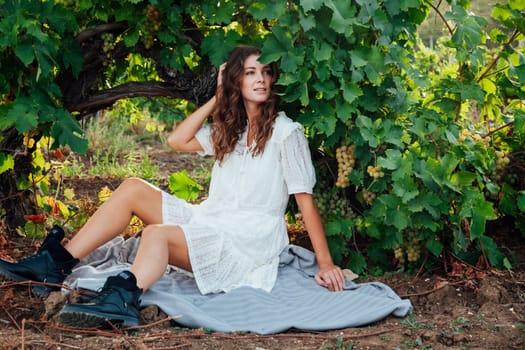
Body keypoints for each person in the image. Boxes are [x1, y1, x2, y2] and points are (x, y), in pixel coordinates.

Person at [0, 45, 345, 328]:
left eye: (265, 72)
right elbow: (177, 140)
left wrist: (326, 263)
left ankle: (124, 299)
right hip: (211, 219)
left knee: (157, 234)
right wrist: (218, 96)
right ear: (236, 82)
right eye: (250, 73)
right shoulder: (232, 129)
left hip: (247, 241)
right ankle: (56, 263)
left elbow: (304, 200)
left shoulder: (287, 133)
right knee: (133, 187)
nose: (260, 80)